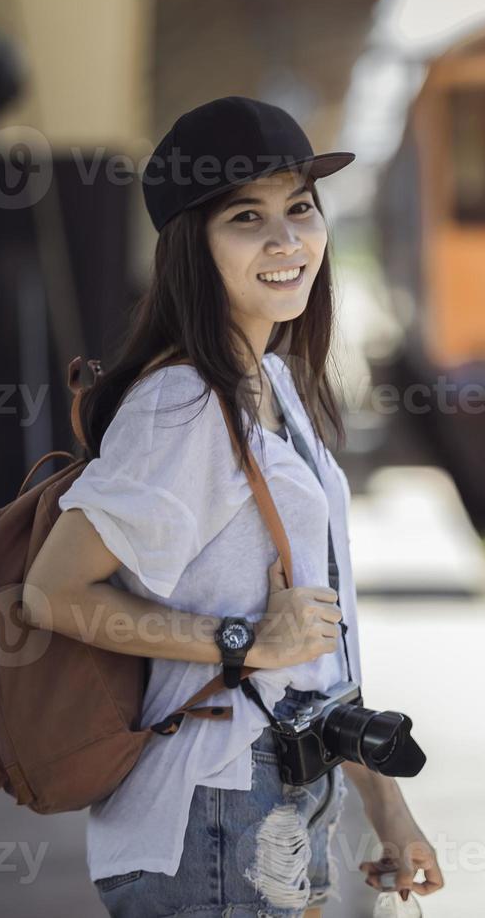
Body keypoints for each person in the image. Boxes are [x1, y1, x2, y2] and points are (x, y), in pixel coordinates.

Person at [23, 96, 444, 917]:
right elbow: (50, 592)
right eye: (246, 217)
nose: (287, 241)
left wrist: (384, 805)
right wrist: (240, 641)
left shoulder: (274, 382)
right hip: (215, 808)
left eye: (299, 209)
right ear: (191, 246)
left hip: (285, 790)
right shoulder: (180, 404)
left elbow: (320, 629)